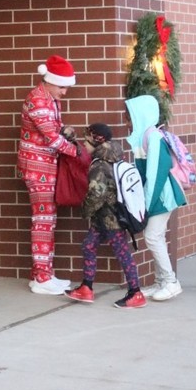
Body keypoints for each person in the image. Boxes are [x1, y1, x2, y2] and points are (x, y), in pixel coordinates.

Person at [18, 54, 81, 295]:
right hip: (37, 168)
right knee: (43, 221)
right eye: (62, 86)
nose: (65, 92)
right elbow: (52, 138)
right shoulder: (38, 100)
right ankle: (42, 277)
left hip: (46, 166)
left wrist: (64, 130)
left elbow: (54, 131)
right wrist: (78, 153)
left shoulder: (49, 98)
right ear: (50, 80)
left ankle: (43, 274)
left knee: (48, 220)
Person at [65, 124, 146, 309]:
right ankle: (86, 287)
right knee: (89, 245)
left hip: (110, 219)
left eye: (87, 141)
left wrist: (85, 210)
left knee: (122, 253)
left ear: (96, 140)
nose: (84, 145)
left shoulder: (100, 165)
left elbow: (96, 195)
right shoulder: (113, 156)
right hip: (105, 217)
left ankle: (136, 293)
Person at [125, 94, 187, 301]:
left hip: (162, 196)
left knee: (152, 236)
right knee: (156, 236)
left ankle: (170, 282)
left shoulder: (154, 137)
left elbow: (155, 175)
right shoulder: (146, 136)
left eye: (130, 116)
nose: (127, 121)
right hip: (158, 196)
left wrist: (147, 204)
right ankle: (162, 281)